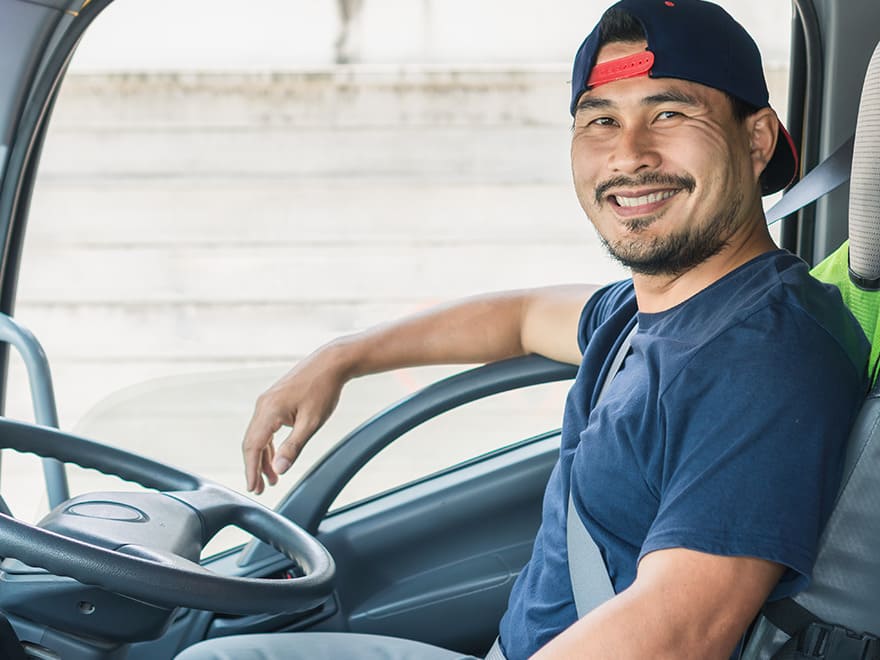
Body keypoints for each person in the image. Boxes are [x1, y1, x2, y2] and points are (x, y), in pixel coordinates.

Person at [181, 1, 870, 658]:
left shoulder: (763, 357)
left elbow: (677, 636)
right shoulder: (654, 311)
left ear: (755, 139)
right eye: (599, 121)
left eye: (668, 112)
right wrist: (340, 357)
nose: (628, 154)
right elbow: (522, 316)